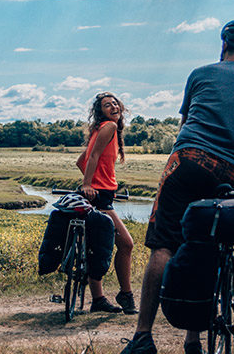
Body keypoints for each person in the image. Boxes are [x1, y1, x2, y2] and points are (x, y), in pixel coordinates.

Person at [120, 19, 234, 354]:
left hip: (186, 160)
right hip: (229, 172)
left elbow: (184, 126)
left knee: (164, 246)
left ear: (222, 44)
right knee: (207, 244)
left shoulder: (199, 74)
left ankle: (142, 337)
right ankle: (193, 340)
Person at [76, 92, 139, 315]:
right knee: (126, 244)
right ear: (100, 111)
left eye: (115, 103)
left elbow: (80, 160)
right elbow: (91, 159)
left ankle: (99, 299)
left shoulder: (100, 129)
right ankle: (125, 294)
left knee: (96, 244)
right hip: (100, 197)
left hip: (99, 193)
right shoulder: (109, 128)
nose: (113, 106)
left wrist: (90, 183)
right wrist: (89, 184)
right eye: (106, 105)